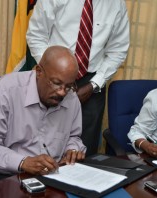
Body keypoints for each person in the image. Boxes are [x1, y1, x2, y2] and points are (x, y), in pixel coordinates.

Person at [26, 0, 130, 156]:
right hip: (53, 77)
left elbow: (118, 50)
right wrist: (54, 71)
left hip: (92, 83)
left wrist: (94, 85)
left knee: (84, 148)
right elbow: (36, 35)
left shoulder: (116, 4)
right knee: (44, 140)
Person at [0, 46, 86, 179]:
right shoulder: (5, 91)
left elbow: (73, 136)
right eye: (56, 83)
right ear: (39, 71)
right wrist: (23, 162)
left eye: (69, 86)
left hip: (54, 175)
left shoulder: (71, 97)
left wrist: (72, 150)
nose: (62, 92)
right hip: (9, 175)